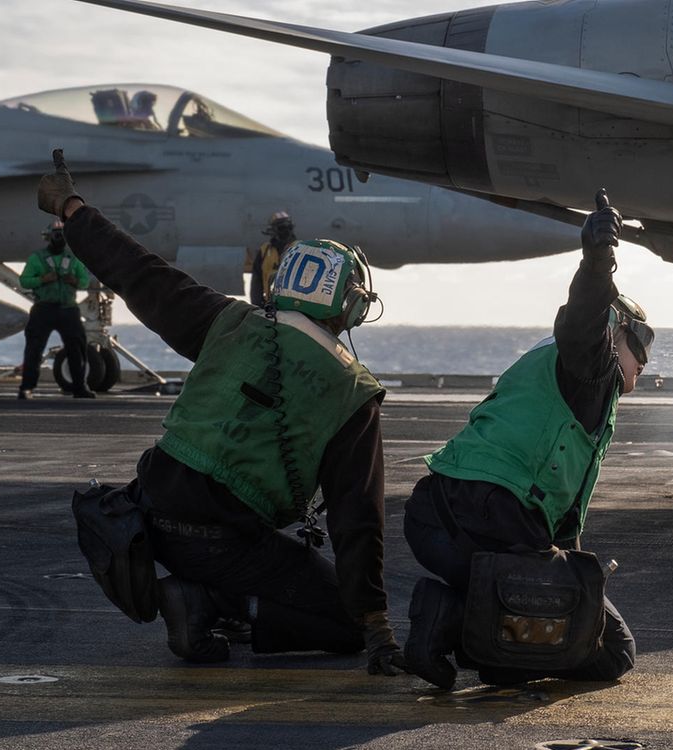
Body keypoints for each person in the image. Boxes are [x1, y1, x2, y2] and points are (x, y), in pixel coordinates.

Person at [38, 150, 407, 675]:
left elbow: (137, 271)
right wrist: (375, 624)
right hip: (219, 541)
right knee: (342, 622)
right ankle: (208, 602)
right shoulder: (353, 392)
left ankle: (207, 594)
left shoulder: (226, 320)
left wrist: (73, 208)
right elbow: (357, 519)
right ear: (349, 306)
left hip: (145, 515)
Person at [400, 191, 651, 690]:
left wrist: (570, 573)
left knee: (528, 645)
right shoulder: (590, 368)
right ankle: (450, 622)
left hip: (433, 518)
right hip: (490, 522)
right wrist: (597, 263)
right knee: (611, 651)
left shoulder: (546, 366)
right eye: (640, 343)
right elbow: (583, 322)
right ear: (615, 331)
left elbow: (563, 527)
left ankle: (451, 619)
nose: (644, 360)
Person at [18, 220, 92, 400]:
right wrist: (42, 279)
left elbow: (85, 281)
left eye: (62, 235)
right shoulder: (37, 258)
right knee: (34, 349)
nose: (59, 238)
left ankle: (79, 388)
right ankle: (26, 387)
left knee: (77, 349)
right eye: (56, 235)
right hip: (44, 308)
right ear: (49, 237)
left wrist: (74, 281)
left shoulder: (73, 259)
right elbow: (24, 280)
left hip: (68, 308)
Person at [249, 211, 298, 306]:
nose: (286, 231)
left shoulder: (299, 248)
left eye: (288, 227)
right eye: (281, 228)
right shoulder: (265, 250)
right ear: (273, 230)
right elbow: (257, 281)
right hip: (269, 304)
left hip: (292, 305)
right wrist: (257, 305)